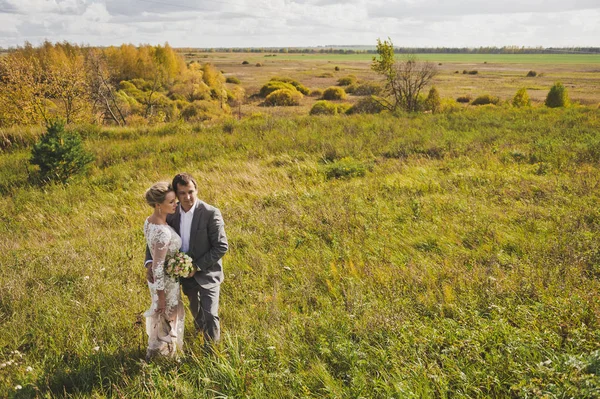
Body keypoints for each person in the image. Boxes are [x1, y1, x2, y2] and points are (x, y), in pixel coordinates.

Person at [145, 173, 228, 347]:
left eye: (191, 191)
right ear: (176, 194)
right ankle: (199, 339)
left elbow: (221, 246)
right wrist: (149, 262)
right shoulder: (171, 213)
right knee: (196, 313)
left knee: (210, 314)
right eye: (182, 193)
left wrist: (196, 267)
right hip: (182, 276)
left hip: (207, 273)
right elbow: (155, 238)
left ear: (196, 190)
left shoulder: (210, 213)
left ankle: (212, 353)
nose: (187, 197)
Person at [143, 182, 185, 361]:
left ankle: (161, 353)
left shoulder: (149, 221)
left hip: (157, 282)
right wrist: (161, 297)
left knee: (162, 319)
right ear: (159, 205)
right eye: (171, 202)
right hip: (165, 284)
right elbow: (158, 267)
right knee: (167, 318)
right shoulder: (163, 232)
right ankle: (164, 358)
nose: (175, 204)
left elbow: (152, 254)